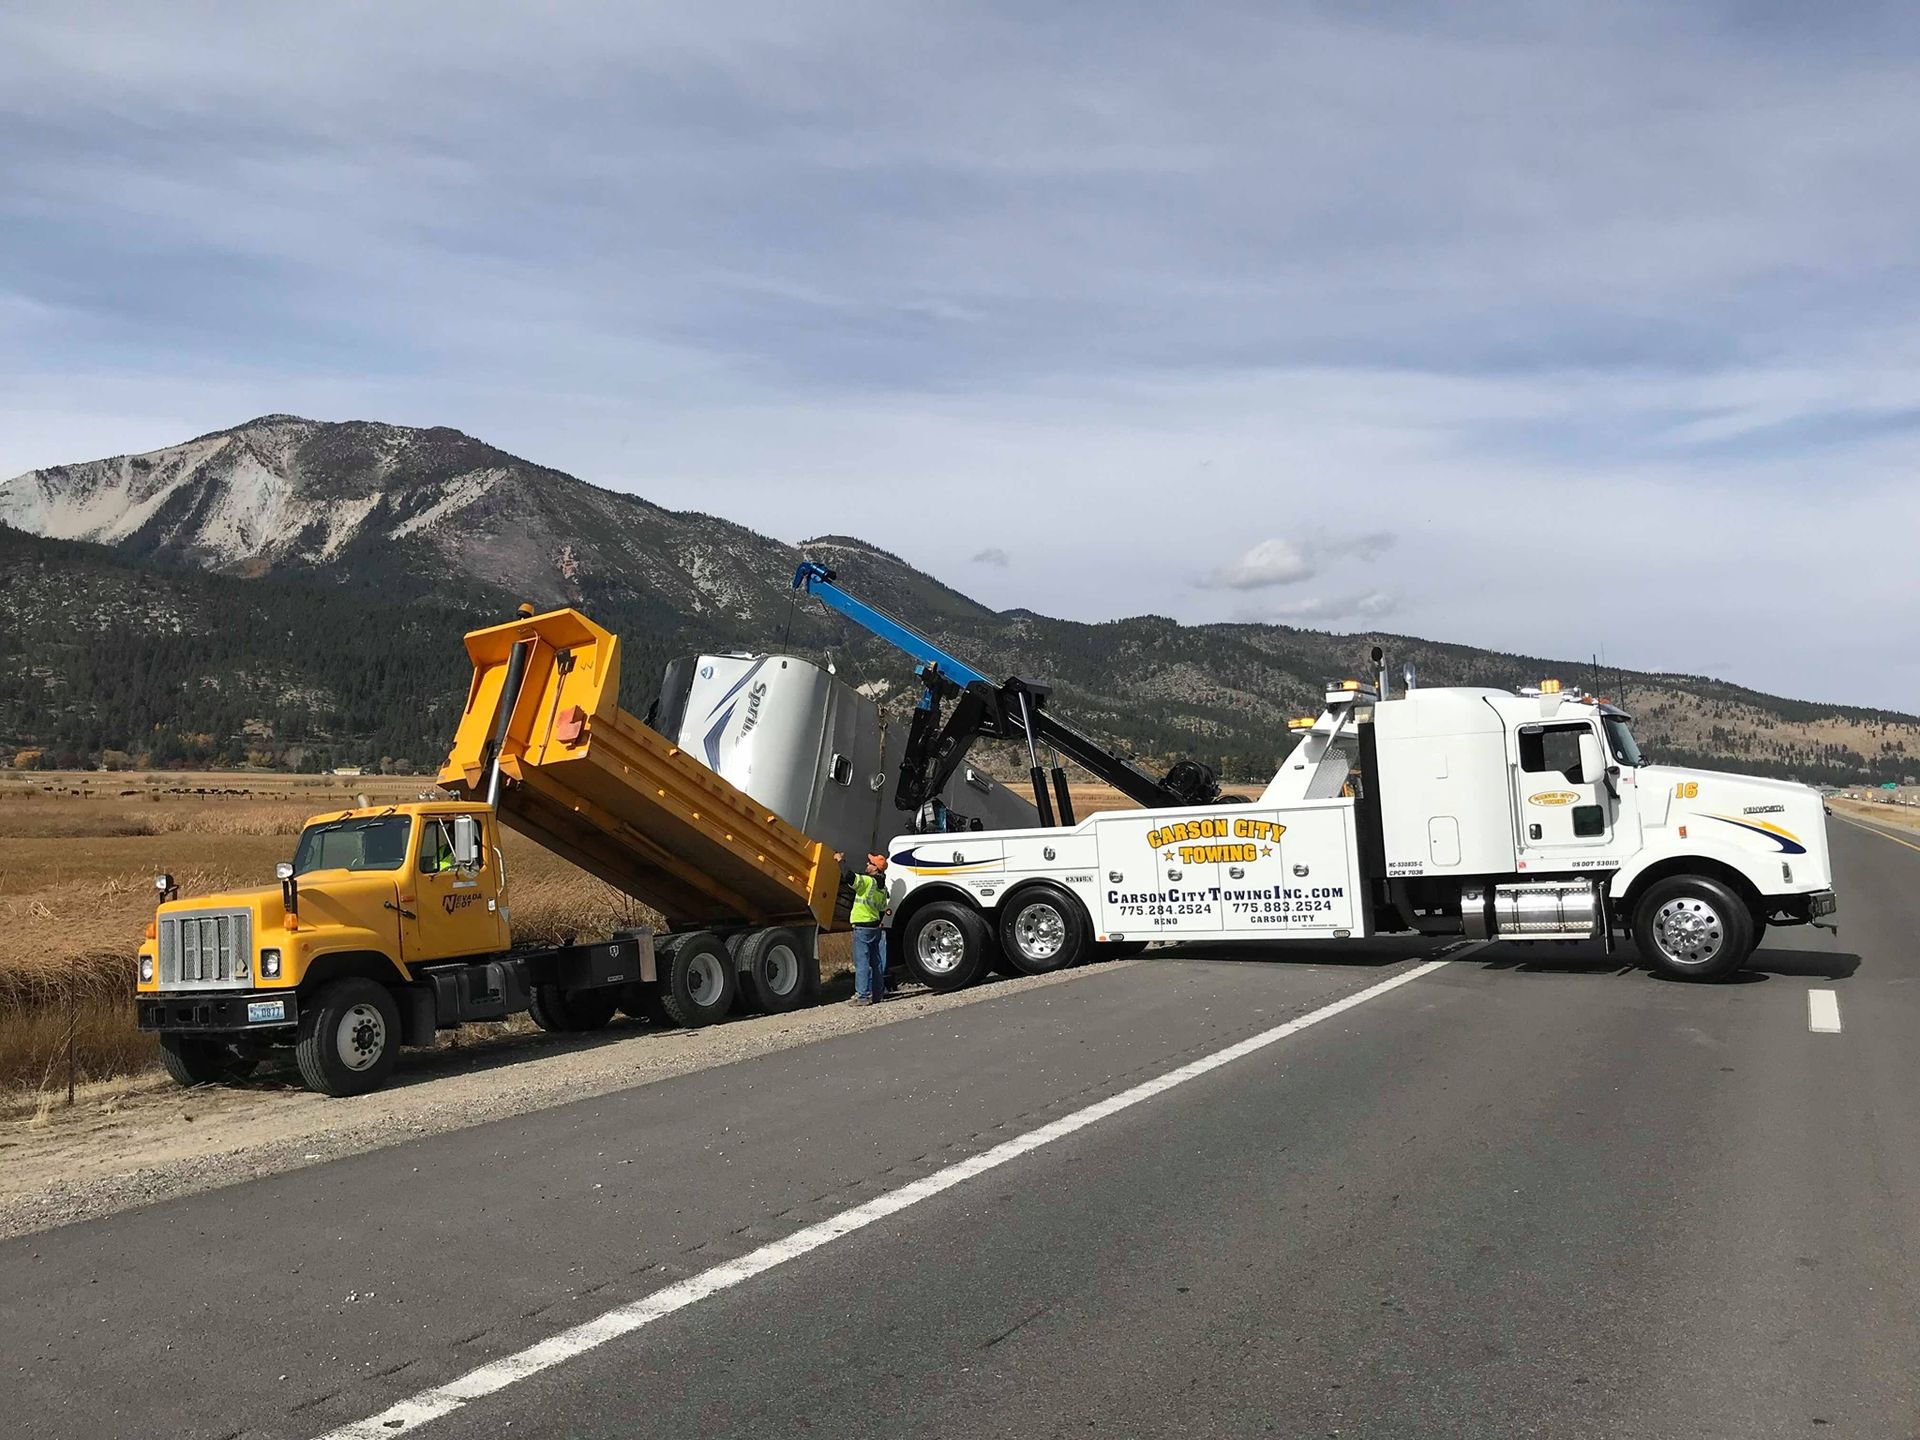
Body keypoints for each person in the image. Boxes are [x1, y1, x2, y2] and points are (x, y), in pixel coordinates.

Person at [850, 852, 889, 1004]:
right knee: (876, 962)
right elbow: (881, 909)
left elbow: (849, 878)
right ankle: (878, 994)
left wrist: (840, 861)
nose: (867, 865)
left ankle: (863, 996)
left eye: (869, 863)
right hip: (875, 927)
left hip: (862, 927)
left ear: (875, 869)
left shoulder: (867, 881)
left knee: (862, 963)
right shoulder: (883, 888)